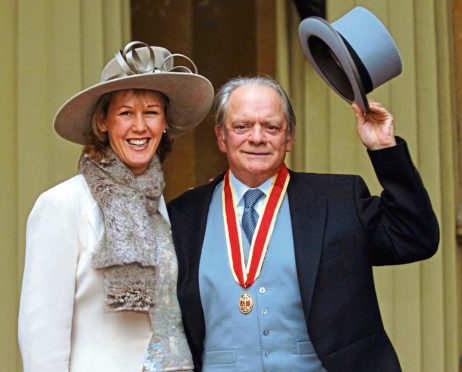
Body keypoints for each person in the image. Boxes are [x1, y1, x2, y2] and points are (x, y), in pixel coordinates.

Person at [167, 76, 439, 371]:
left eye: (271, 127)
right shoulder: (183, 215)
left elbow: (414, 237)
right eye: (242, 126)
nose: (257, 138)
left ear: (289, 138)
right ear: (221, 136)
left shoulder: (337, 201)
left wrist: (384, 149)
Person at [18, 41, 213, 372]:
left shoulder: (162, 209)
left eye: (151, 112)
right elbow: (42, 335)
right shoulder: (62, 205)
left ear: (164, 123)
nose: (140, 126)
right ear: (103, 122)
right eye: (126, 113)